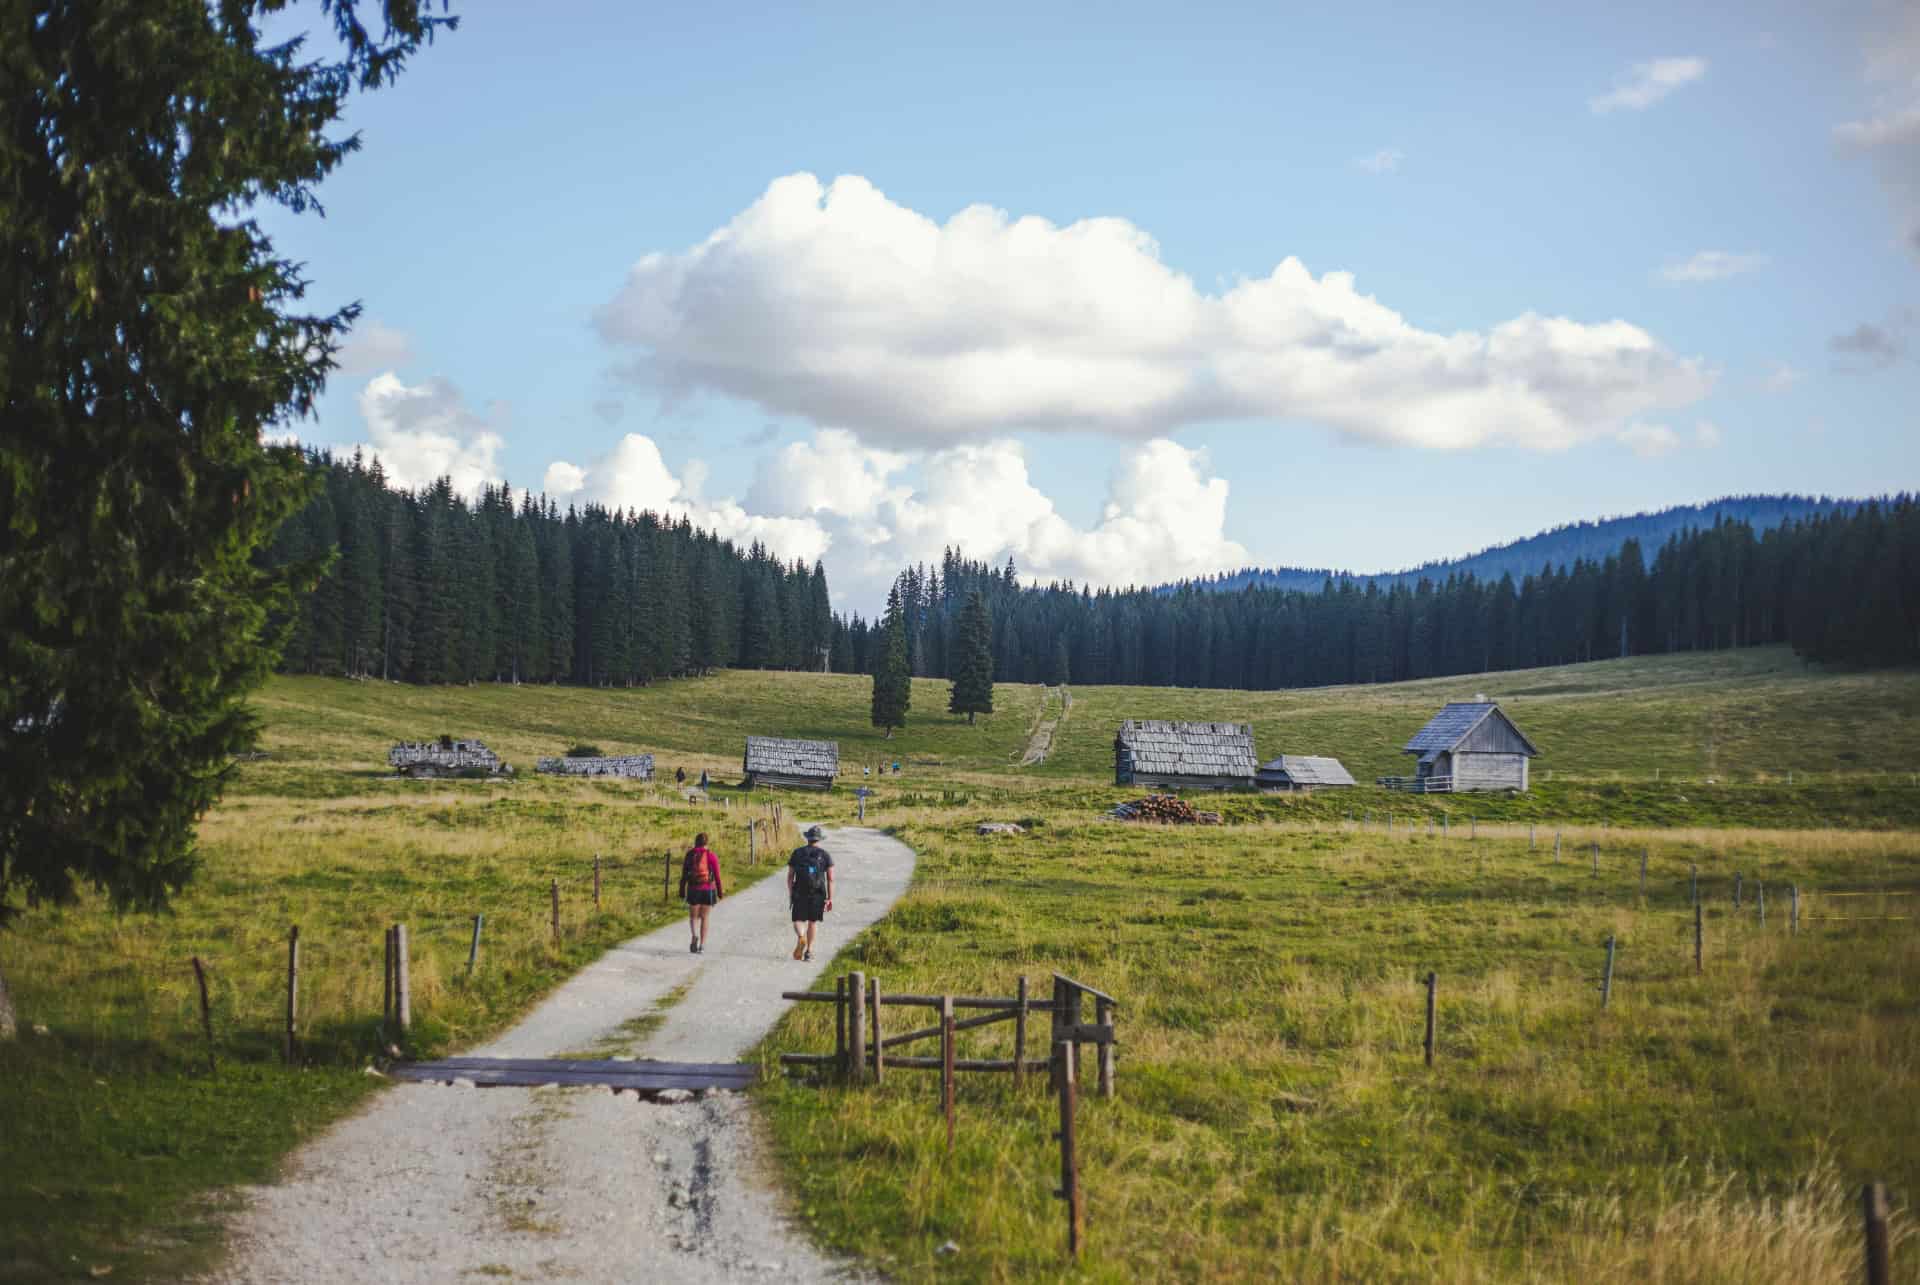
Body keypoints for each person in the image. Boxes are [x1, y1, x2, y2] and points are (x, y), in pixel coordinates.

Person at [786, 824, 834, 962]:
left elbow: (790, 876)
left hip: (799, 891)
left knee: (798, 920)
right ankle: (809, 952)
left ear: (807, 838)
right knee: (813, 922)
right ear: (819, 839)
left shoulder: (797, 853)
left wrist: (791, 893)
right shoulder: (825, 855)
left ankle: (801, 937)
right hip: (818, 893)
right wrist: (830, 899)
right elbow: (831, 879)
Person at [679, 831, 723, 953]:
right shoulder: (711, 856)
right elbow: (717, 876)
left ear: (695, 842)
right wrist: (720, 892)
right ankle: (702, 945)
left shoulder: (689, 855)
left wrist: (682, 890)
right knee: (705, 917)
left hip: (693, 889)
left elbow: (684, 875)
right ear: (706, 843)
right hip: (708, 890)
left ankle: (694, 935)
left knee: (693, 917)